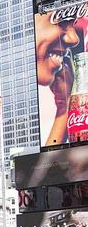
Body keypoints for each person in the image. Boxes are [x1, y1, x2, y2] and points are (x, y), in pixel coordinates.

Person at [35, 11, 81, 146]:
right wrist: (65, 107)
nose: (74, 39)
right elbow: (46, 166)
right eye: (61, 20)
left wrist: (65, 105)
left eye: (74, 23)